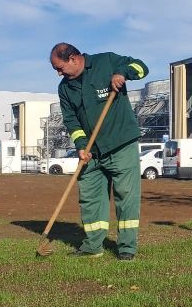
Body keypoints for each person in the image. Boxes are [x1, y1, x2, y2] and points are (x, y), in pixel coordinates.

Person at [50, 42, 149, 260]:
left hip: (121, 144)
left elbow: (142, 67)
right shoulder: (65, 88)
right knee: (90, 197)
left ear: (73, 59)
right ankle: (92, 246)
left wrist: (122, 73)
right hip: (91, 152)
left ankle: (126, 249)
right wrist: (81, 145)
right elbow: (71, 120)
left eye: (60, 68)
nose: (59, 73)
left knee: (127, 197)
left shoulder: (107, 61)